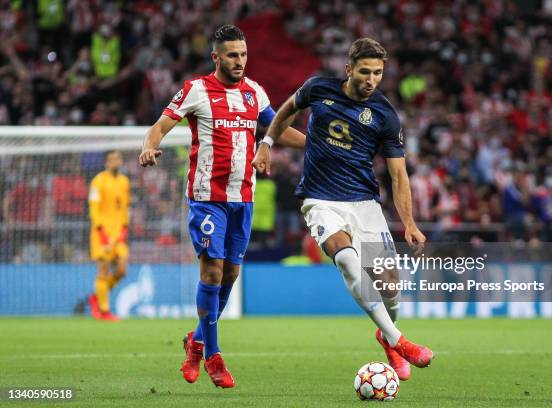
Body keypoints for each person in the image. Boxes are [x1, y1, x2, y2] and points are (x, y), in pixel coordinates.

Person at [252, 38, 433, 381]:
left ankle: (385, 335)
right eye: (365, 71)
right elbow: (287, 109)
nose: (371, 79)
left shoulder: (385, 115)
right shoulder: (319, 88)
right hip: (320, 199)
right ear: (349, 70)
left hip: (364, 204)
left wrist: (408, 222)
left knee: (390, 289)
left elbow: (398, 174)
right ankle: (401, 342)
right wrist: (267, 144)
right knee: (347, 259)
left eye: (378, 73)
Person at [139, 25, 305, 388]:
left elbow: (276, 130)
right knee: (212, 272)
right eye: (232, 55)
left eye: (243, 55)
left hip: (243, 198)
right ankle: (213, 355)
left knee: (229, 276)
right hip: (206, 198)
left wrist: (313, 145)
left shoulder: (254, 94)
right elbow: (160, 126)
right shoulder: (196, 90)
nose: (239, 61)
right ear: (216, 57)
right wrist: (149, 146)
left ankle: (196, 342)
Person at [87, 150, 130, 321]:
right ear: (106, 162)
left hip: (118, 233)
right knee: (103, 271)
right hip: (102, 233)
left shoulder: (124, 181)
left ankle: (97, 297)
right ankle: (104, 310)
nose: (116, 162)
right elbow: (93, 207)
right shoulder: (98, 181)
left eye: (118, 158)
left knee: (122, 270)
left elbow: (126, 207)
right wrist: (100, 231)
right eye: (112, 159)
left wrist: (125, 228)